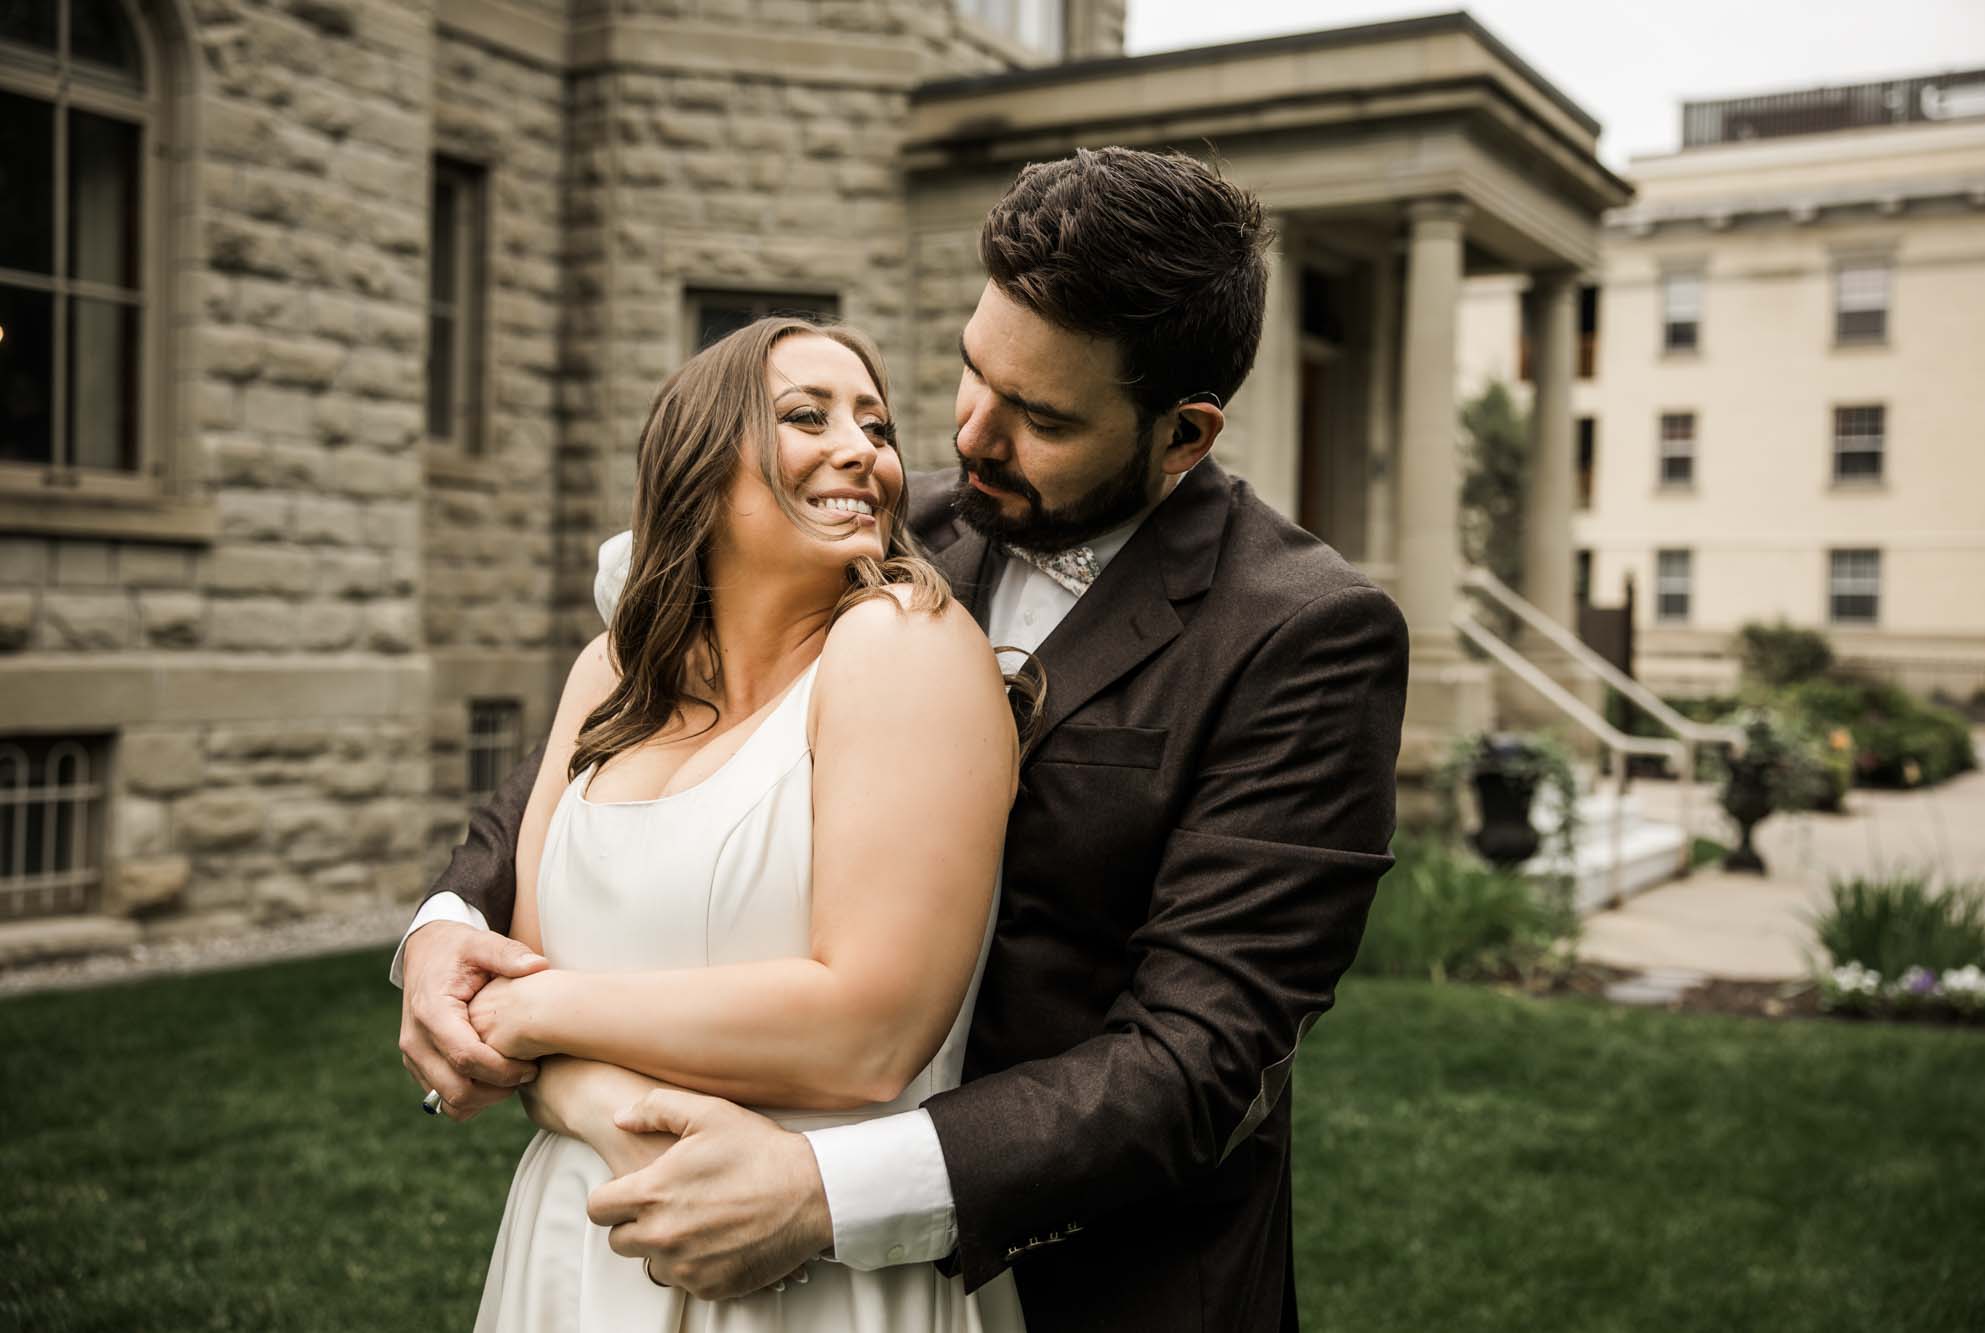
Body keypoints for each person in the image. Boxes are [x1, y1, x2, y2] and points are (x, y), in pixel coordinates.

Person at [398, 146, 1410, 1333]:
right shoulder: (865, 513)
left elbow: (1195, 1058)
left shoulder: (1301, 635)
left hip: (1104, 1278)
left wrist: (828, 1192)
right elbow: (627, 739)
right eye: (973, 372)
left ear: (1182, 434)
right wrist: (446, 928)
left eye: (1038, 416)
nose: (970, 435)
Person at [450, 315, 1029, 1330]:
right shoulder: (607, 674)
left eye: (877, 426)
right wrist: (603, 1121)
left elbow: (868, 1030)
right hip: (583, 1230)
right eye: (806, 416)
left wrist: (540, 1019)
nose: (863, 449)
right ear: (695, 466)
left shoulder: (904, 644)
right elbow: (523, 980)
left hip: (806, 1257)